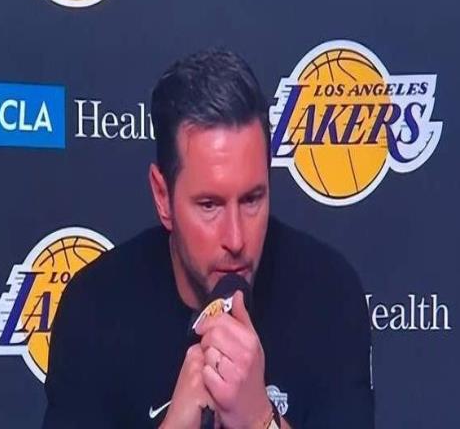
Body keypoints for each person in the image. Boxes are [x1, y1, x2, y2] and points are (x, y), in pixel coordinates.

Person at [42, 49, 374, 429]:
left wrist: (258, 419)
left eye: (251, 200)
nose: (235, 238)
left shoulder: (328, 294)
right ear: (163, 197)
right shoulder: (95, 309)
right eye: (209, 205)